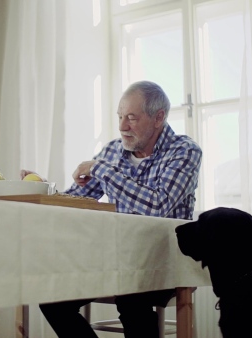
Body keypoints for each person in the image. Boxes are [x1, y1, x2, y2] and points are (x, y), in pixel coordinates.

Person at [21, 81, 202, 338]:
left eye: (131, 118)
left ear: (158, 117)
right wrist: (41, 188)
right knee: (53, 300)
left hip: (165, 261)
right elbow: (76, 201)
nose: (122, 127)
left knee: (131, 299)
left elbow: (157, 206)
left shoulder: (184, 151)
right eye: (119, 117)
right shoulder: (112, 152)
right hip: (117, 261)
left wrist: (102, 170)